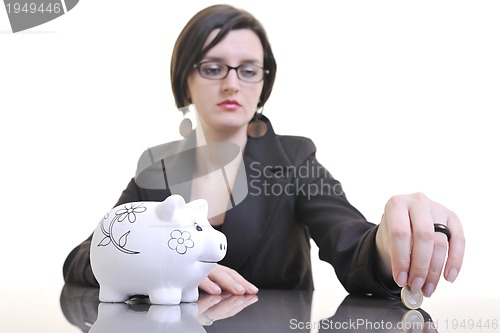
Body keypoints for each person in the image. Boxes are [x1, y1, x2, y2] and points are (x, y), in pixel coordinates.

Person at [63, 4, 465, 299]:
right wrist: (163, 267)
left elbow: (352, 245)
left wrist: (396, 237)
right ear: (185, 81)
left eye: (249, 69)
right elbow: (85, 257)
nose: (232, 84)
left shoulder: (294, 159)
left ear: (263, 83)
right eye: (213, 67)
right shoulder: (158, 167)